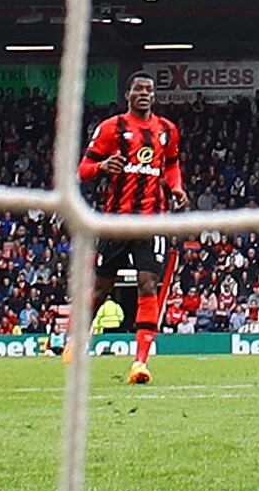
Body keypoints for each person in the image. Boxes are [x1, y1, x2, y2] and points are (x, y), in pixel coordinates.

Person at [77, 72, 186, 385]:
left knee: (148, 282)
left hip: (153, 221)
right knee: (101, 288)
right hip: (116, 220)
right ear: (128, 94)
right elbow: (83, 170)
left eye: (149, 90)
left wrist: (176, 187)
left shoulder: (167, 130)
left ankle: (140, 362)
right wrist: (102, 166)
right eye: (139, 89)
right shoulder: (111, 127)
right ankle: (77, 341)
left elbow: (171, 164)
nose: (145, 94)